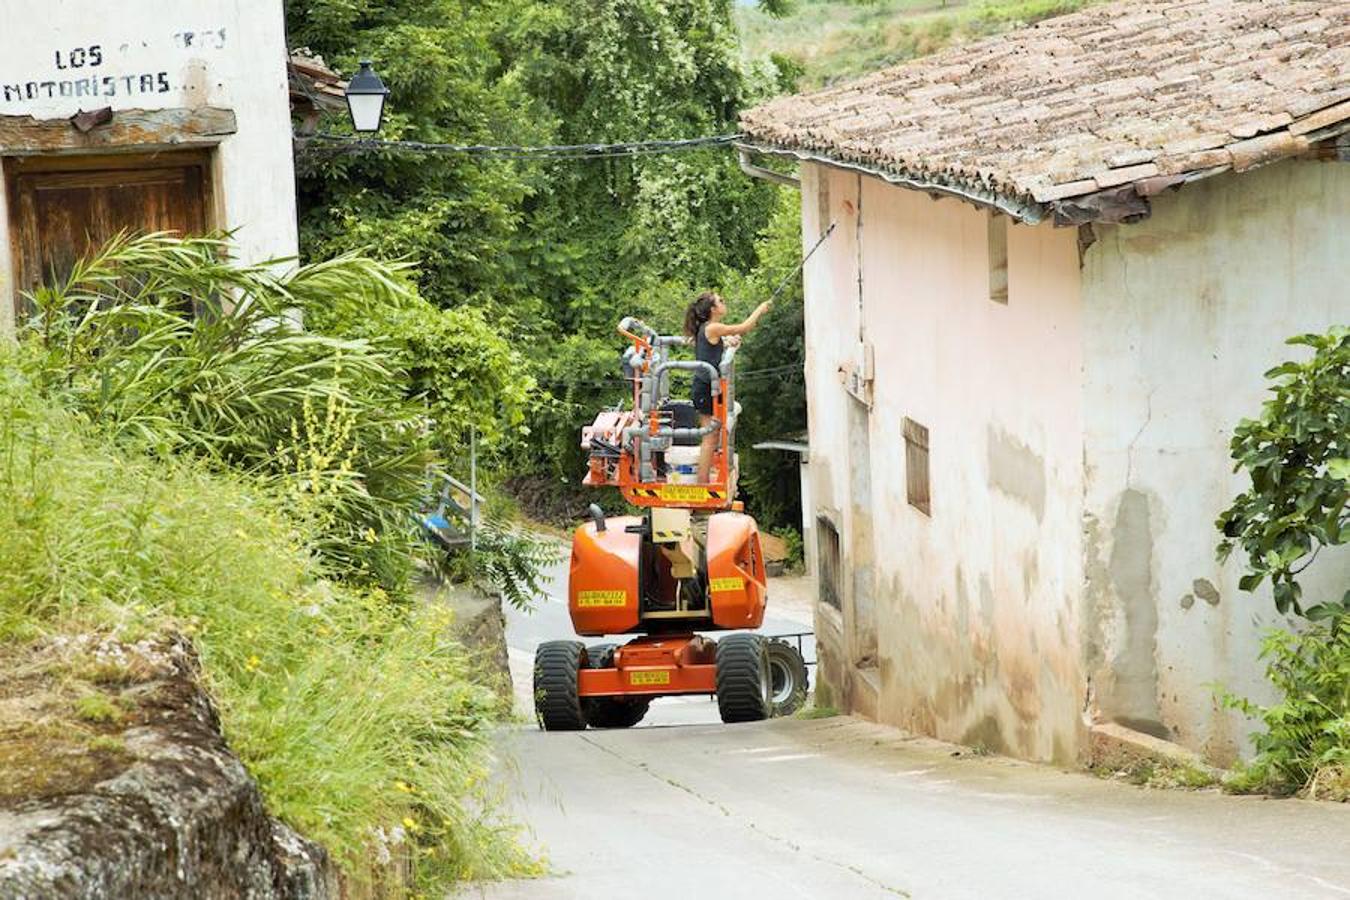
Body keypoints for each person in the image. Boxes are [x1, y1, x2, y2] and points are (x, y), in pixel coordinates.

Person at [682, 291, 773, 483]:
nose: (724, 302)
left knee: (713, 435)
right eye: (720, 301)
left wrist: (726, 343)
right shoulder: (713, 327)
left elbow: (712, 347)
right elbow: (745, 327)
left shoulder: (709, 328)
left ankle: (703, 482)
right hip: (706, 388)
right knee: (709, 437)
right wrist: (760, 309)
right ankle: (702, 485)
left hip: (707, 386)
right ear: (713, 309)